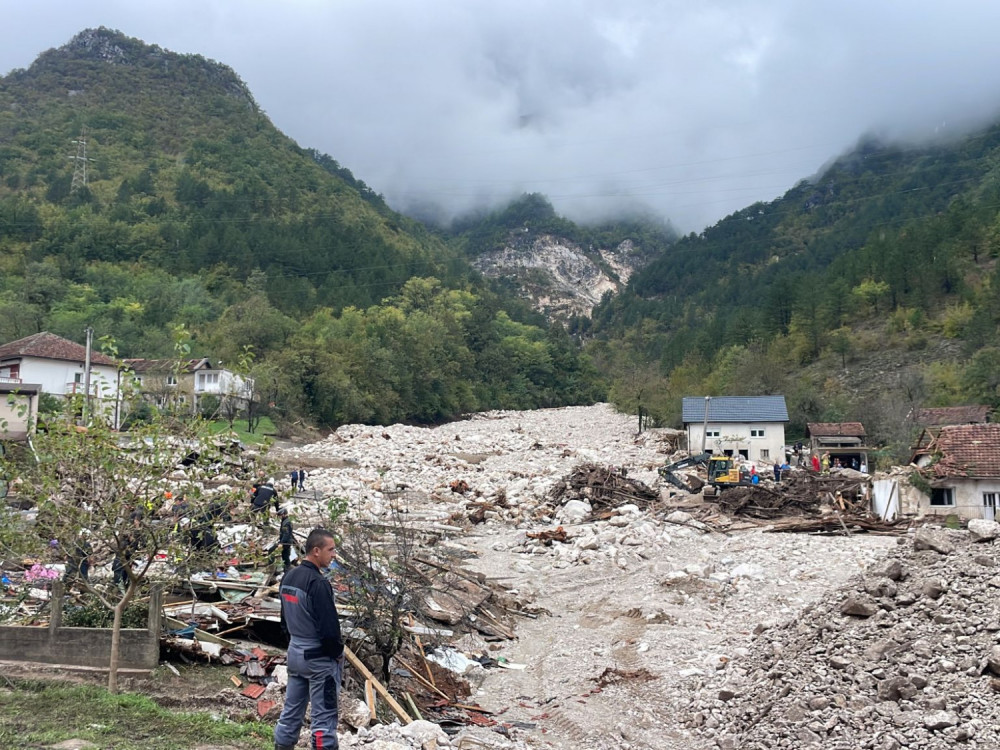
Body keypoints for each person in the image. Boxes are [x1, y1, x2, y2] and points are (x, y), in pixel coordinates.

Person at [273, 528, 343, 750]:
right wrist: (336, 654)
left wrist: (294, 643)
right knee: (324, 719)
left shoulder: (289, 577)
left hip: (295, 654)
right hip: (318, 659)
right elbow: (330, 631)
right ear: (316, 551)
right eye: (330, 550)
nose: (334, 555)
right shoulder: (318, 584)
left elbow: (283, 621)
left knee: (291, 713)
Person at [278, 507, 295, 574]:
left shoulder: (286, 523)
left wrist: (281, 543)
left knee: (285, 557)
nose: (280, 517)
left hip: (286, 543)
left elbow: (286, 534)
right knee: (285, 556)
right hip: (286, 542)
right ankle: (287, 571)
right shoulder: (285, 521)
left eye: (280, 516)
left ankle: (287, 572)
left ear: (284, 514)